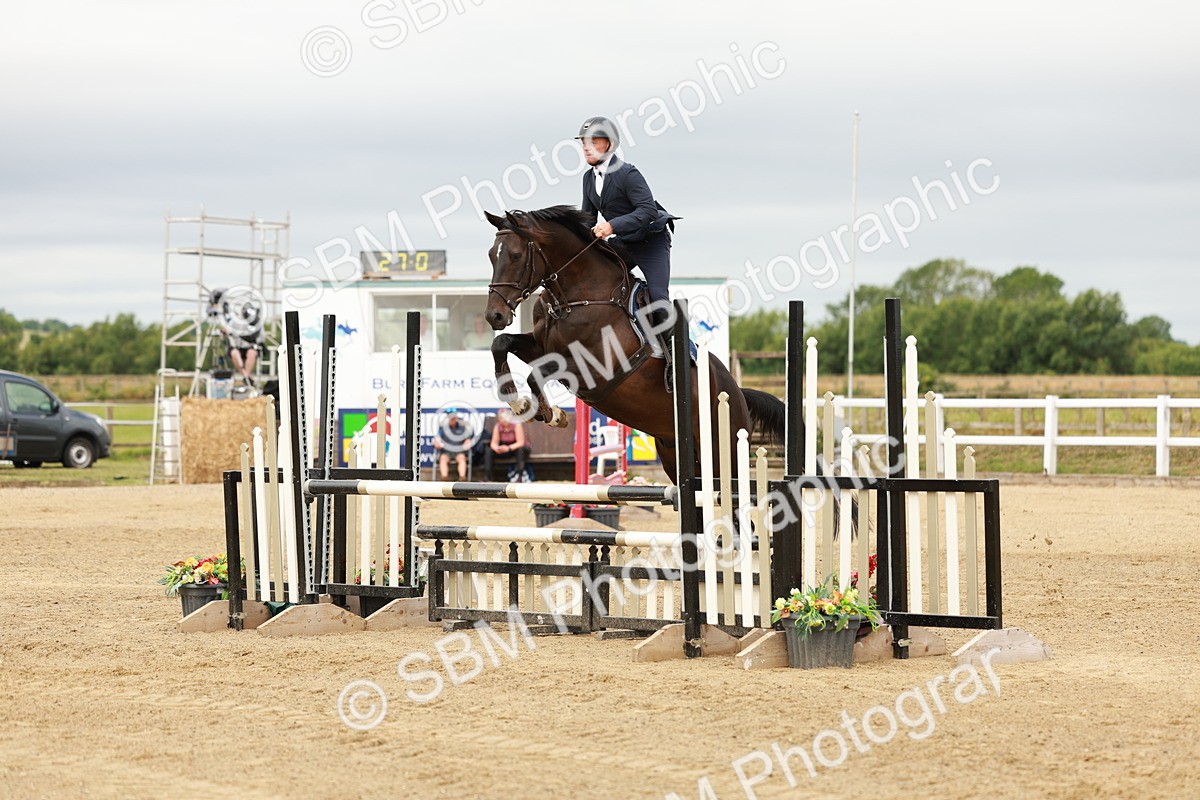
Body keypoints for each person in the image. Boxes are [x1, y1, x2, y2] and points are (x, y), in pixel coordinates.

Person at [576, 115, 679, 389]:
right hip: (624, 243)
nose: (586, 147)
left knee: (658, 297)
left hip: (651, 242)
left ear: (609, 145)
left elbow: (646, 210)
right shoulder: (589, 178)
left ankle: (676, 363)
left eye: (593, 142)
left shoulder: (627, 173)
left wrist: (611, 225)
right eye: (583, 143)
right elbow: (587, 219)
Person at [483, 408, 530, 481]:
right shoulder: (497, 426)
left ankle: (519, 476)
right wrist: (497, 448)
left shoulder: (517, 425)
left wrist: (508, 448)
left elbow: (520, 442)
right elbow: (493, 443)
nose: (503, 420)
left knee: (520, 450)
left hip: (516, 448)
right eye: (501, 418)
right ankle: (488, 477)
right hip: (505, 449)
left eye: (504, 418)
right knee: (489, 450)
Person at [433, 410, 476, 481]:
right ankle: (444, 477)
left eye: (453, 418)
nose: (452, 420)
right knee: (443, 459)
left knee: (462, 458)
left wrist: (468, 440)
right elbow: (437, 437)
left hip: (459, 450)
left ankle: (462, 478)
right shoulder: (443, 427)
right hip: (446, 451)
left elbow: (469, 437)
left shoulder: (463, 427)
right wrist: (437, 442)